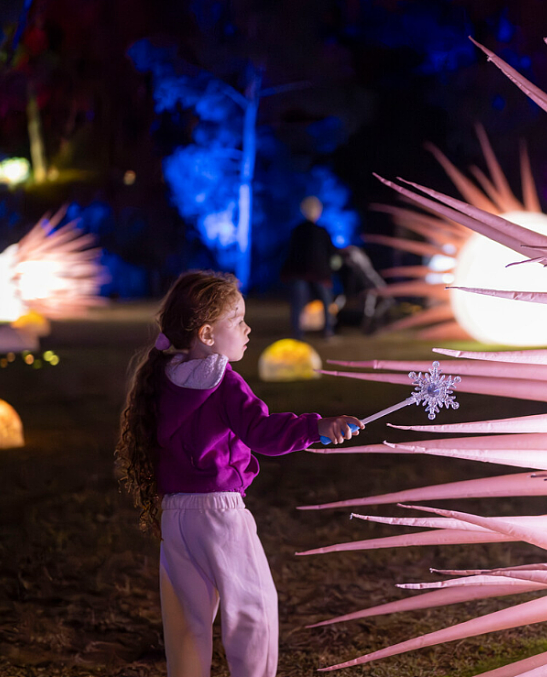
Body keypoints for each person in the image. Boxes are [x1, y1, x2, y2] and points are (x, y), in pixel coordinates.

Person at [114, 270, 362, 677]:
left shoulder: (162, 378)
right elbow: (262, 432)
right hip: (220, 515)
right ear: (208, 334)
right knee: (254, 611)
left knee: (186, 624)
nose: (248, 329)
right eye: (239, 320)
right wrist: (316, 428)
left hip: (176, 519)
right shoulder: (221, 380)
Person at [280, 196, 337, 339]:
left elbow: (290, 253)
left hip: (307, 273)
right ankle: (322, 331)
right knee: (319, 301)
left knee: (307, 302)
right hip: (313, 274)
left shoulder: (301, 231)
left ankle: (317, 331)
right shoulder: (316, 231)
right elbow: (332, 254)